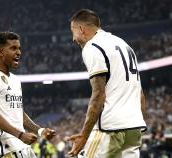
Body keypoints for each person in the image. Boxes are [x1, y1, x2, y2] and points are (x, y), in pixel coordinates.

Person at [66, 9, 147, 158]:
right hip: (134, 127)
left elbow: (98, 94)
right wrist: (136, 121)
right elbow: (140, 94)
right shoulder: (124, 45)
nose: (73, 38)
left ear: (81, 29)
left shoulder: (92, 47)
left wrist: (84, 135)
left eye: (73, 32)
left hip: (109, 128)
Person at [0, 31, 56, 158]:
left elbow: (19, 113)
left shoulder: (15, 80)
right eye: (13, 48)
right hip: (7, 149)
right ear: (0, 51)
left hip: (22, 146)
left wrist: (40, 131)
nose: (19, 52)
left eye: (19, 48)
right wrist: (20, 135)